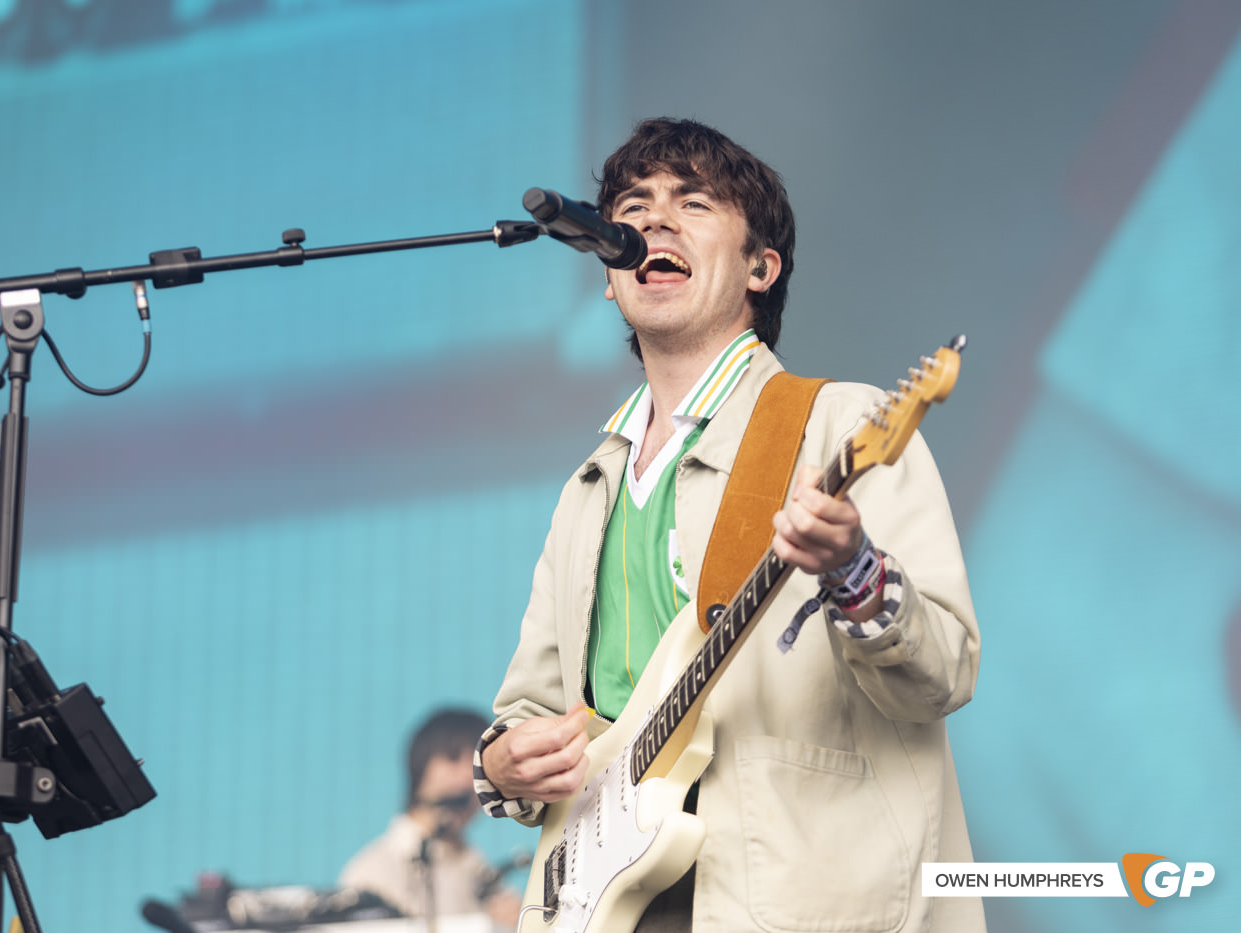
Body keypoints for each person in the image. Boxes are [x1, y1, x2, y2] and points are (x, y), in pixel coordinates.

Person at [473, 118, 983, 933]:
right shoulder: (589, 486)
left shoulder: (838, 425)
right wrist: (504, 764)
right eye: (632, 207)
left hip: (791, 896)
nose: (654, 221)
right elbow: (532, 706)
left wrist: (854, 570)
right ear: (609, 275)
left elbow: (943, 672)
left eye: (693, 203)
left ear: (760, 267)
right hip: (608, 900)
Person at [339, 708, 522, 929]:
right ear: (420, 767)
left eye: (477, 765)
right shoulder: (371, 872)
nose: (469, 778)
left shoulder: (477, 867)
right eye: (453, 758)